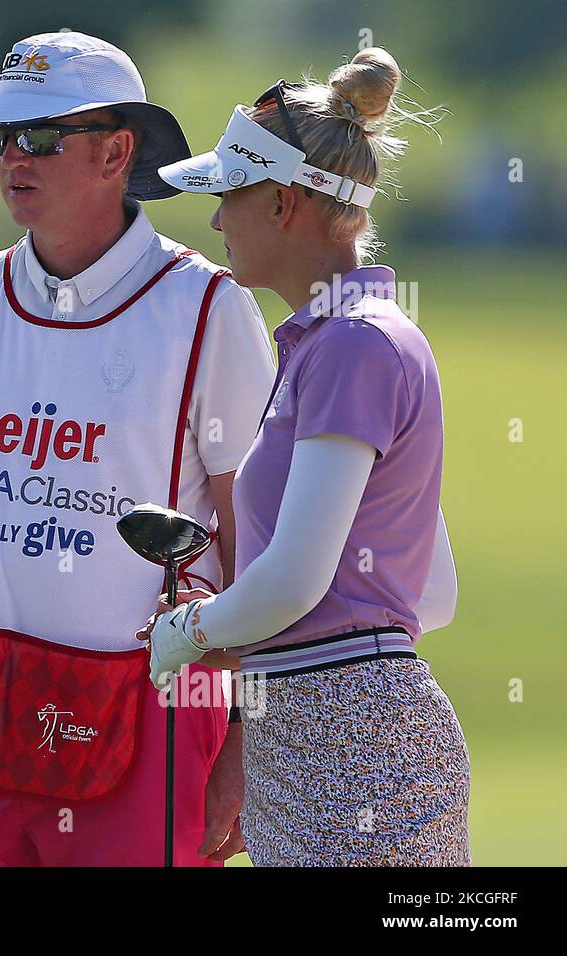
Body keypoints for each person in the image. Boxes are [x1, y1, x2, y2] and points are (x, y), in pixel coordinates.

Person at [0, 31, 277, 866]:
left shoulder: (208, 307)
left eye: (42, 135)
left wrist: (241, 743)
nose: (16, 155)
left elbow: (251, 544)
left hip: (149, 705)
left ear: (118, 150)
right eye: (3, 136)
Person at [148, 47, 469, 865]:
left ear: (285, 202)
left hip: (351, 743)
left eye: (229, 197)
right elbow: (430, 591)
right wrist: (256, 644)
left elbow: (295, 580)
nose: (217, 222)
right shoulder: (342, 341)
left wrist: (186, 634)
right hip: (329, 730)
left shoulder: (352, 345)